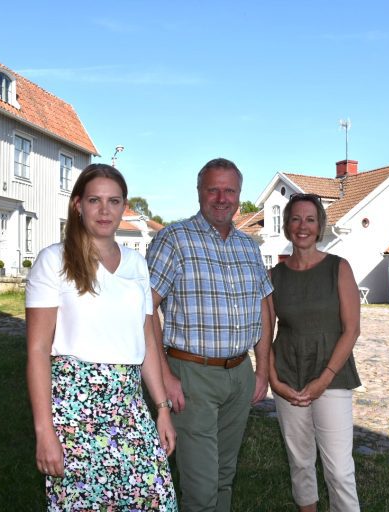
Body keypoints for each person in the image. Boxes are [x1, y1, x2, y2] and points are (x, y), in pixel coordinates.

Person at [25, 163, 177, 511]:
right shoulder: (54, 261)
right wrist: (44, 430)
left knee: (156, 501)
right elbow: (36, 350)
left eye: (114, 201)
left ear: (125, 206)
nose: (104, 210)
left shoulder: (137, 264)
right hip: (75, 412)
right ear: (78, 204)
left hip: (130, 408)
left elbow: (147, 342)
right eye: (95, 200)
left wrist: (162, 409)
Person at [146, 157, 273, 511]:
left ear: (239, 195)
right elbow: (145, 309)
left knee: (223, 477)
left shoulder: (249, 246)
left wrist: (261, 369)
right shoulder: (174, 239)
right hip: (192, 376)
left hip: (239, 374)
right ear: (199, 192)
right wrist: (166, 374)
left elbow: (264, 307)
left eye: (229, 190)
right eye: (213, 189)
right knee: (201, 488)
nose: (221, 197)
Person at [268, 193, 361, 512]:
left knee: (339, 469)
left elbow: (351, 329)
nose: (302, 226)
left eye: (310, 219)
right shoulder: (274, 277)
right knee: (300, 462)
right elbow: (265, 334)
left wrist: (325, 379)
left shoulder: (339, 267)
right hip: (287, 376)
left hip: (332, 376)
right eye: (295, 218)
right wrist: (273, 380)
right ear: (286, 226)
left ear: (320, 226)